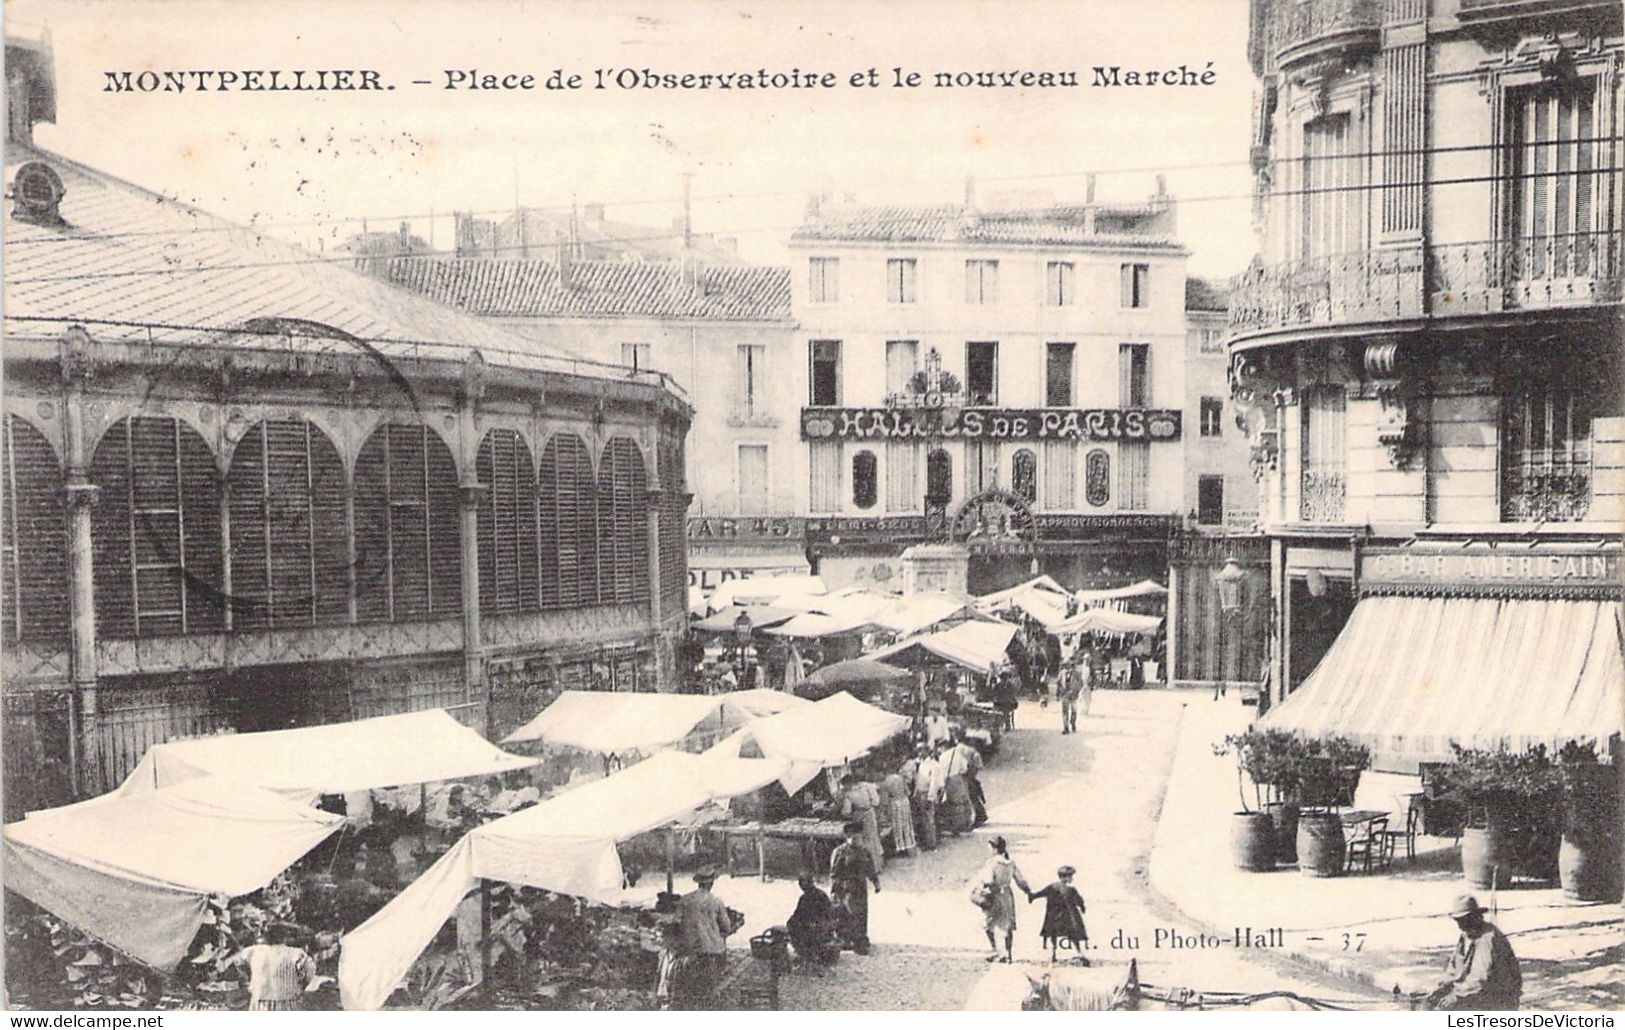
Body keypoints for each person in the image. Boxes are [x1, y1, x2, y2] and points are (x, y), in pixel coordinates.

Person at [1425, 895, 1522, 1011]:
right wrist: (1441, 988)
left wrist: (1456, 996)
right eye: (1458, 921)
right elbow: (1454, 969)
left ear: (1475, 917)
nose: (1460, 926)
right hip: (1475, 993)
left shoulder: (1488, 938)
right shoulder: (1466, 936)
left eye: (1464, 920)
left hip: (1498, 1000)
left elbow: (1481, 978)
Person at [673, 868, 735, 1009]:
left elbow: (676, 922)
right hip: (711, 948)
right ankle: (708, 1000)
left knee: (692, 977)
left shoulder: (685, 899)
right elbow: (726, 926)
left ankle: (692, 999)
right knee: (709, 976)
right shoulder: (716, 901)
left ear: (698, 883)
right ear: (711, 883)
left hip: (690, 947)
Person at [223, 925, 316, 1011]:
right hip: (288, 1000)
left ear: (266, 937)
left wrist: (249, 976)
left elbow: (237, 961)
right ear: (284, 938)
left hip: (260, 1001)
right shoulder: (296, 953)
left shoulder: (255, 950)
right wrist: (301, 984)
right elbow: (310, 969)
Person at [975, 836, 1030, 963]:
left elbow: (989, 880)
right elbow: (1020, 880)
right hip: (1007, 894)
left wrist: (981, 888)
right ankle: (1008, 954)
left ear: (994, 848)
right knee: (1008, 924)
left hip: (994, 894)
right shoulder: (1011, 862)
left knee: (989, 923)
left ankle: (996, 951)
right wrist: (1028, 891)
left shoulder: (992, 863)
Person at [830, 821, 881, 955]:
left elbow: (871, 868)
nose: (856, 840)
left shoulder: (865, 851)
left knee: (862, 914)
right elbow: (834, 873)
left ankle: (860, 942)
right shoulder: (840, 852)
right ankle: (846, 940)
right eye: (853, 838)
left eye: (859, 838)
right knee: (848, 913)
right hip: (846, 887)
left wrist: (876, 883)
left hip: (860, 887)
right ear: (847, 838)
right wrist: (834, 891)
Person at [1029, 865, 1089, 964]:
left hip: (1054, 916)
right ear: (1065, 877)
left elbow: (1041, 893)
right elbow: (1079, 900)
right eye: (1070, 876)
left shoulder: (1052, 886)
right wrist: (1082, 907)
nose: (1071, 878)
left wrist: (1032, 896)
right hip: (1069, 917)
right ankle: (1079, 953)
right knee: (1073, 935)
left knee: (1053, 934)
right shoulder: (1071, 889)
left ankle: (1053, 953)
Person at [786, 875, 839, 965]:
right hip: (824, 927)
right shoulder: (821, 894)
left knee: (793, 927)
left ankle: (806, 953)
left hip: (816, 929)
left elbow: (798, 916)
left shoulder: (806, 898)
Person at [838, 773, 885, 869]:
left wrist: (842, 812)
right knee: (873, 838)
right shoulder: (867, 786)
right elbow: (876, 801)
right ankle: (878, 864)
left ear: (848, 783)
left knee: (863, 840)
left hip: (859, 815)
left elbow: (847, 811)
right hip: (870, 813)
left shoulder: (848, 794)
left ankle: (869, 866)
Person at [936, 741, 976, 836]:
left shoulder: (942, 757)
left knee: (951, 803)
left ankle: (952, 826)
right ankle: (963, 825)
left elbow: (941, 773)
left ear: (943, 747)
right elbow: (964, 768)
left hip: (948, 780)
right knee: (961, 801)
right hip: (957, 779)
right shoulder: (957, 754)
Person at [880, 765, 918, 857]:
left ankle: (901, 848)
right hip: (904, 801)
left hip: (895, 803)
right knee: (907, 825)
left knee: (898, 826)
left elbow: (884, 801)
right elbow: (908, 792)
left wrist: (885, 810)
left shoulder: (885, 783)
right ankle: (910, 846)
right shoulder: (901, 778)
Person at [910, 744, 942, 851]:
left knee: (929, 819)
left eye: (922, 750)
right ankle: (926, 841)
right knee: (923, 819)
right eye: (918, 750)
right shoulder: (921, 764)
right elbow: (918, 780)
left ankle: (932, 843)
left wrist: (930, 798)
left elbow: (934, 783)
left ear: (928, 751)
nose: (920, 752)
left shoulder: (933, 765)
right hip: (920, 793)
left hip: (927, 793)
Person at [1058, 662, 1082, 735]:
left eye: (1067, 665)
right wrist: (1058, 693)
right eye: (1065, 665)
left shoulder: (1076, 674)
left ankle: (1073, 722)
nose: (1066, 667)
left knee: (1074, 711)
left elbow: (1081, 683)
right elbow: (1058, 683)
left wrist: (1076, 691)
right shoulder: (1062, 673)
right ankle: (1066, 727)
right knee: (1065, 711)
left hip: (1073, 695)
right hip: (1064, 694)